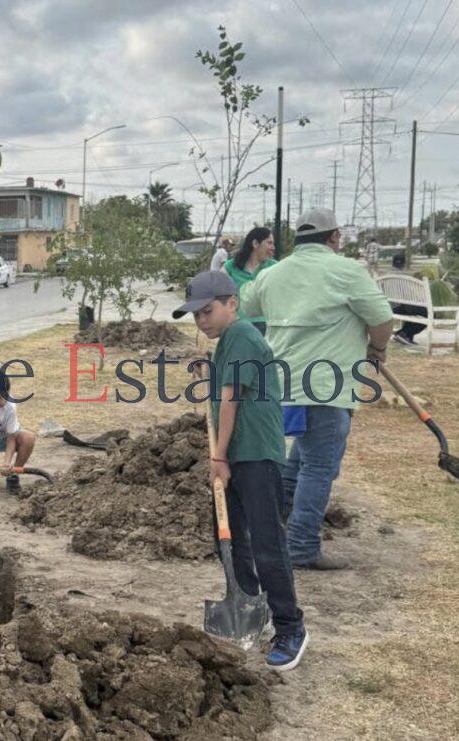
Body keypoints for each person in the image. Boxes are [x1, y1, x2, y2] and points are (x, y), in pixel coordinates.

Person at [241, 208, 393, 570]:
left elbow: (246, 305)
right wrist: (379, 347)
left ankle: (274, 526)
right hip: (326, 387)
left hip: (281, 384)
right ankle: (301, 547)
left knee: (300, 460)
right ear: (334, 238)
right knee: (319, 466)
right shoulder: (347, 271)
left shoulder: (273, 273)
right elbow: (382, 319)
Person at [173, 270, 307, 671]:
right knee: (229, 538)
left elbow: (231, 399)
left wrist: (218, 456)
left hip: (254, 454)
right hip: (235, 452)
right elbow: (226, 385)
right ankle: (251, 606)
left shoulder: (245, 335)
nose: (201, 321)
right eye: (196, 315)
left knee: (266, 542)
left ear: (232, 303)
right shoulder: (228, 341)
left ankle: (290, 626)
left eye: (208, 311)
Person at [224, 227, 278, 335]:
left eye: (273, 244)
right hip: (239, 324)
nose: (273, 248)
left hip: (267, 324)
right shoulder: (231, 266)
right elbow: (217, 292)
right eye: (269, 243)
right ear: (255, 243)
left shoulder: (274, 267)